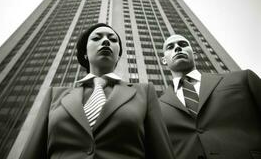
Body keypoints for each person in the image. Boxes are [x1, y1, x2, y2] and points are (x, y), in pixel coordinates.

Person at [20, 23, 175, 159]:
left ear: (118, 55)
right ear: (85, 53)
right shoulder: (54, 94)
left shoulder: (144, 92)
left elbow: (161, 152)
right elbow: (33, 152)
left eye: (113, 39)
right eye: (97, 38)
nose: (106, 41)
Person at [159, 34, 261, 159]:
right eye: (170, 47)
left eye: (183, 44)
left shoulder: (242, 79)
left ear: (195, 54)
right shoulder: (157, 106)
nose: (177, 48)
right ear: (164, 60)